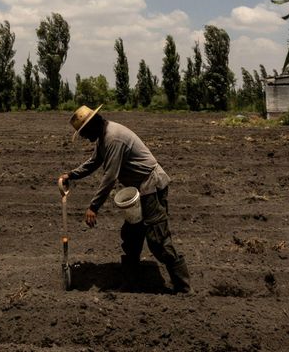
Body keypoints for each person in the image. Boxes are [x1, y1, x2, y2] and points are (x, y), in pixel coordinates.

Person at [58, 104, 192, 294]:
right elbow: (95, 161)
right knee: (131, 236)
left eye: (84, 133)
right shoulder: (104, 136)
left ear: (92, 125)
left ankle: (184, 288)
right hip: (138, 190)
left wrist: (93, 207)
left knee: (157, 240)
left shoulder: (113, 137)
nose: (85, 138)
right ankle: (132, 282)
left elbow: (110, 177)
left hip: (151, 186)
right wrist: (71, 175)